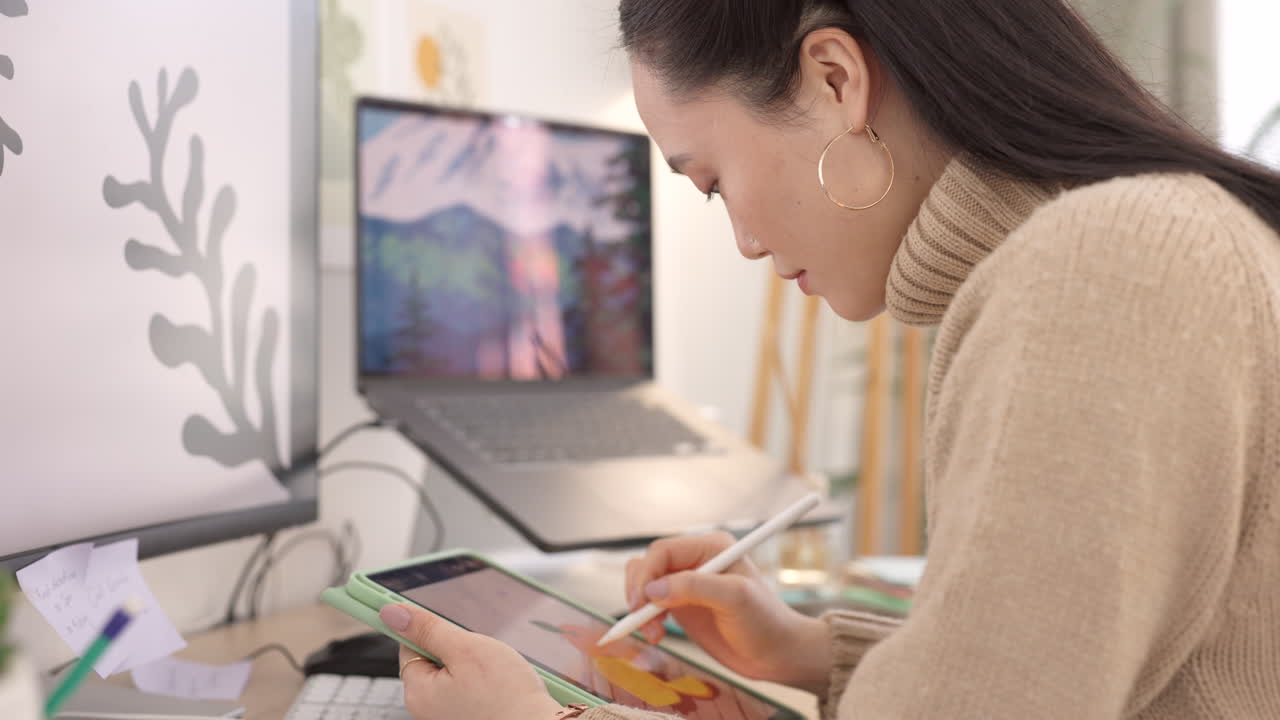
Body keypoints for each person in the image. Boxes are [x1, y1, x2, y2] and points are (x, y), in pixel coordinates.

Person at [379, 1, 1280, 717]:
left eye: (712, 180)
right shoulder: (1123, 248)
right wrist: (809, 653)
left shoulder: (1100, 265)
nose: (740, 239)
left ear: (836, 79)